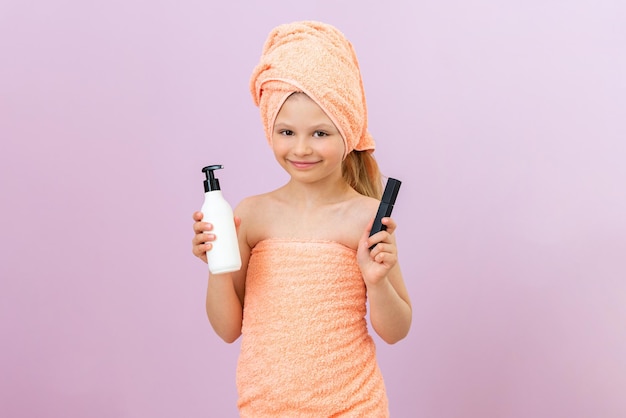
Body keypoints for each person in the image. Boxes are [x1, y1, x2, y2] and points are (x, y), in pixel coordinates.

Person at [191, 20, 411, 417]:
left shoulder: (365, 217)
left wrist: (377, 281)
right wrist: (217, 267)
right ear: (269, 130)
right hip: (265, 409)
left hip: (352, 407)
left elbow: (396, 331)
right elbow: (227, 330)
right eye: (287, 131)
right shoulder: (251, 216)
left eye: (321, 133)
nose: (302, 148)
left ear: (347, 130)